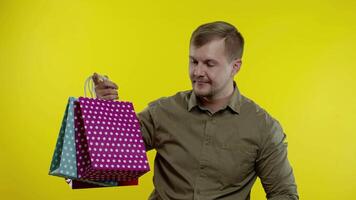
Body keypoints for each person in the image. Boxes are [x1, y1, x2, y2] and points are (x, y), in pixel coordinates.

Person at [93, 21, 299, 200]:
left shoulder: (263, 128)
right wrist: (105, 108)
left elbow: (284, 194)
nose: (198, 72)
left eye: (209, 64)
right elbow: (113, 150)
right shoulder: (163, 111)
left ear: (235, 67)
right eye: (193, 61)